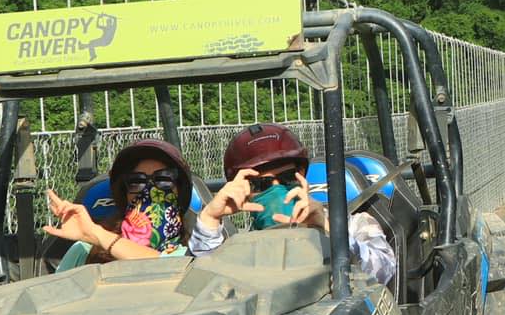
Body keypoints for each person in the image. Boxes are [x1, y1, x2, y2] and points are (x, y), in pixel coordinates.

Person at [191, 123, 399, 288]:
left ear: (302, 176)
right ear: (243, 192)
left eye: (287, 178)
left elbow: (383, 273)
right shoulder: (240, 247)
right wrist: (209, 219)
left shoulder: (354, 224)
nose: (276, 190)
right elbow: (205, 286)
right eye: (260, 184)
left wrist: (328, 229)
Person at [43, 138, 195, 261]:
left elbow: (164, 265)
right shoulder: (85, 250)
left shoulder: (193, 253)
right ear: (125, 194)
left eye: (163, 179)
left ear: (180, 191)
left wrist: (96, 234)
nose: (150, 191)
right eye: (136, 181)